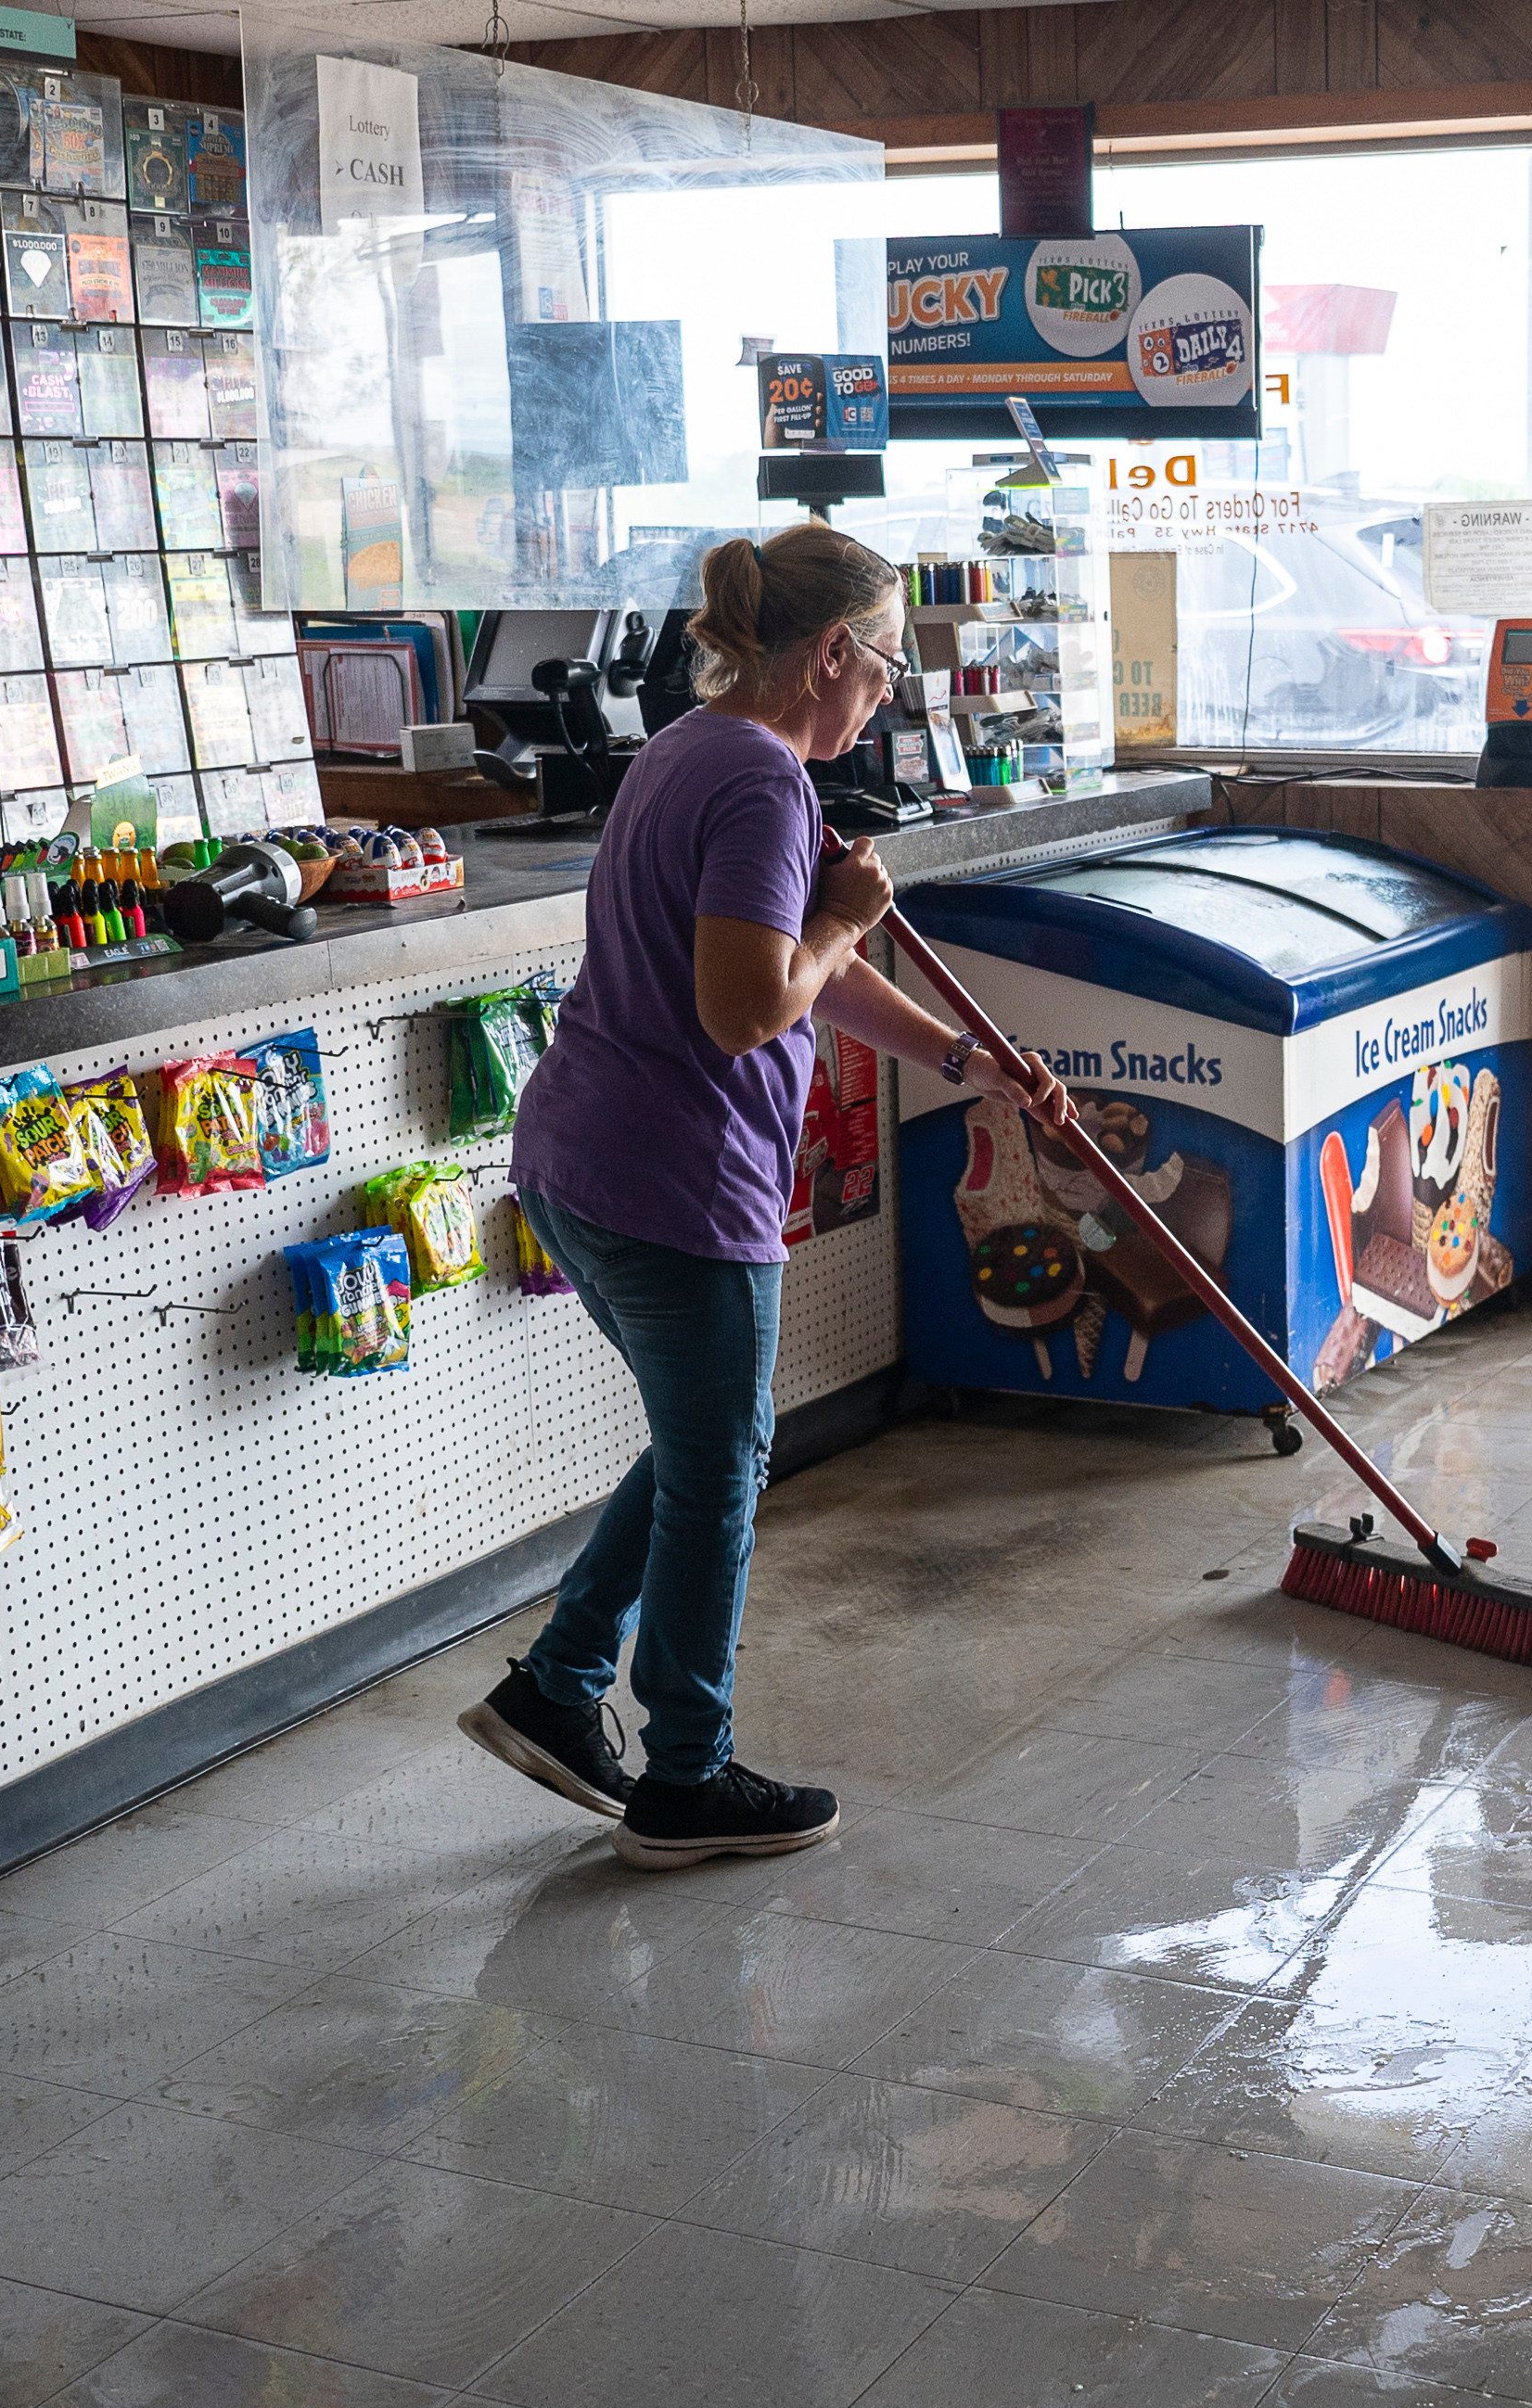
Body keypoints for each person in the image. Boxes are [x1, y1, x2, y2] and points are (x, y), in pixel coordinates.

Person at [460, 523, 1073, 1870]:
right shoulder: (760, 786)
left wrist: (965, 1059)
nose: (891, 693)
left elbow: (797, 963)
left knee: (704, 1445)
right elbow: (752, 1005)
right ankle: (686, 1774)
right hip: (675, 1180)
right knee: (722, 1459)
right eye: (888, 664)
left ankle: (559, 1686)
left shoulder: (693, 746)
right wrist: (848, 912)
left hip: (586, 1164)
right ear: (833, 652)